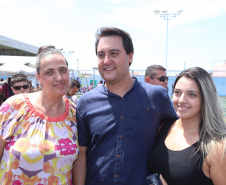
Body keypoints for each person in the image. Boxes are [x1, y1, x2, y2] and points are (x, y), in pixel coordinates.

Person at [73, 27, 178, 185]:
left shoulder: (157, 97)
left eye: (114, 53)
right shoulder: (86, 102)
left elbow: (176, 138)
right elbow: (81, 156)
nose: (106, 60)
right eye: (101, 55)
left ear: (130, 56)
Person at [0, 48, 79, 184]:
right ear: (39, 78)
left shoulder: (76, 115)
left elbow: (79, 164)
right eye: (49, 72)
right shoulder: (14, 107)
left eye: (63, 70)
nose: (59, 78)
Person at [148, 67, 226, 185]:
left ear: (206, 98)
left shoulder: (218, 146)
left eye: (192, 95)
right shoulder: (164, 128)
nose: (181, 100)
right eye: (177, 92)